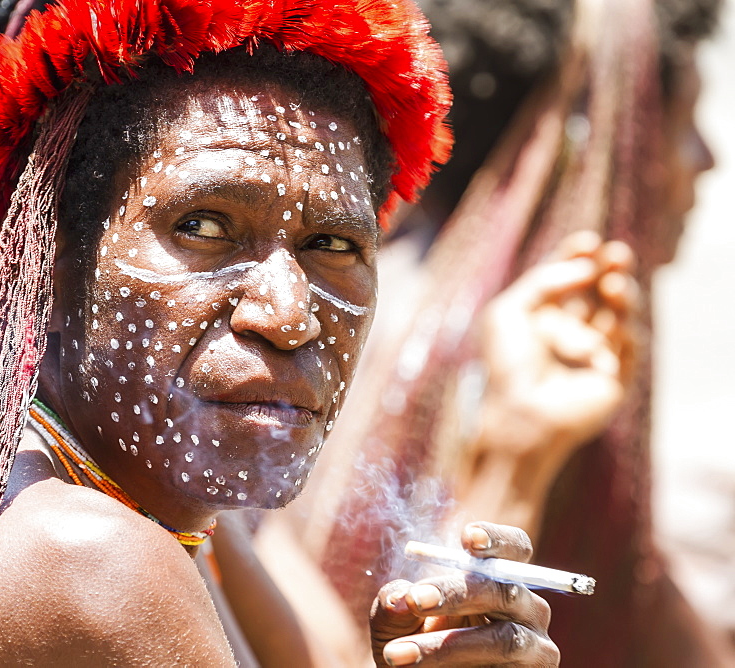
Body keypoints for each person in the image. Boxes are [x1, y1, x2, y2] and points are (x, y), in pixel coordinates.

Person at [0, 1, 561, 666]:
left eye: (333, 245)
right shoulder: (87, 558)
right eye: (203, 227)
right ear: (51, 262)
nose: (287, 314)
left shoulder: (177, 518)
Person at [255, 0, 731, 665]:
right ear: (599, 143)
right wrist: (517, 463)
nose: (707, 158)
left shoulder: (377, 286)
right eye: (678, 122)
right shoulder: (527, 359)